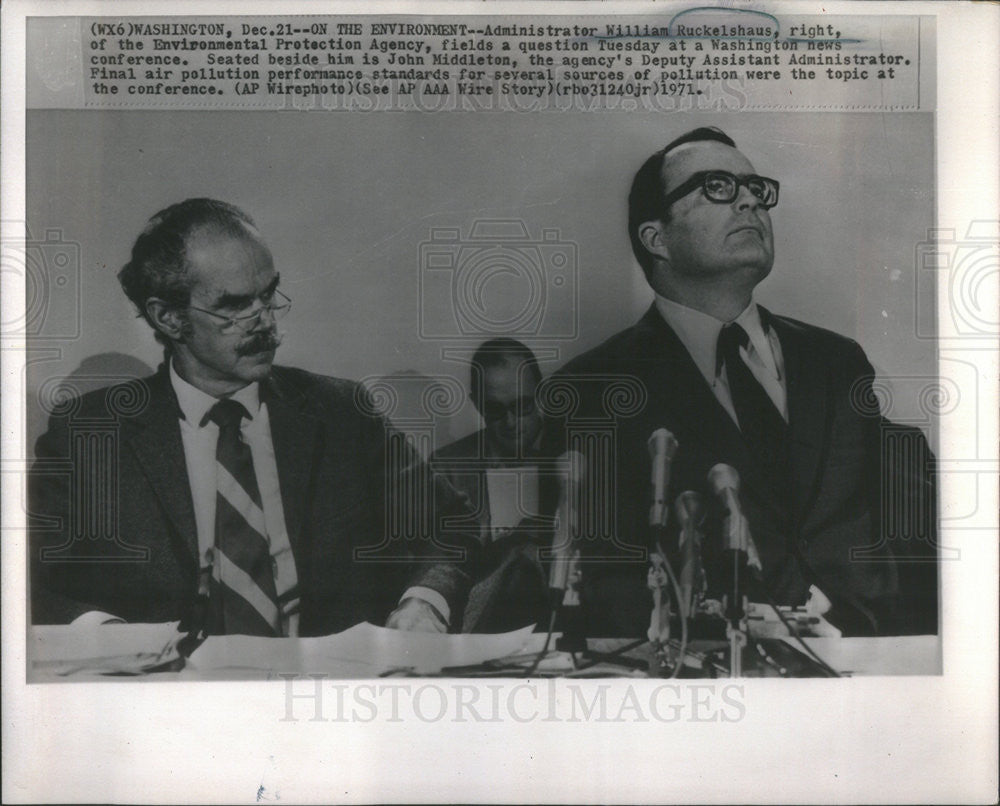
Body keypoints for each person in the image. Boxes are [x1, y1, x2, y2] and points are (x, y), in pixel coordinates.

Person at [551, 127, 937, 638]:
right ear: (655, 237)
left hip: (870, 658)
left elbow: (916, 515)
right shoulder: (593, 387)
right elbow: (594, 571)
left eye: (757, 189)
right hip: (713, 673)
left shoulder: (837, 360)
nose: (751, 201)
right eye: (718, 186)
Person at [29, 198, 474, 637]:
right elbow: (29, 577)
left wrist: (425, 602)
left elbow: (449, 525)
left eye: (268, 295)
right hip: (173, 697)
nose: (265, 322)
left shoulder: (343, 413)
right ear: (168, 317)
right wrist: (110, 639)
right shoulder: (87, 433)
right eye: (235, 305)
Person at [429, 338, 553, 632]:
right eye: (495, 410)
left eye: (522, 406)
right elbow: (435, 564)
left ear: (541, 393)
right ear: (476, 403)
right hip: (481, 621)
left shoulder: (571, 454)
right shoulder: (449, 466)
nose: (510, 422)